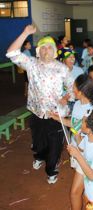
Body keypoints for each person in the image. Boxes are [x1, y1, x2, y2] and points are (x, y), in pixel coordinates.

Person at [6, 25, 74, 184]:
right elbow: (11, 53)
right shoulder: (31, 64)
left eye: (50, 47)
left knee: (55, 144)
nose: (46, 50)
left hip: (56, 114)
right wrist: (25, 33)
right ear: (38, 51)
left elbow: (72, 88)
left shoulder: (62, 68)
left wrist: (66, 97)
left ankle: (51, 170)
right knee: (38, 142)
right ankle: (39, 156)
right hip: (36, 112)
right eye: (43, 47)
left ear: (55, 52)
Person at [49, 75, 93, 210]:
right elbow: (74, 124)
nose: (71, 90)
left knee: (78, 192)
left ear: (80, 92)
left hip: (88, 156)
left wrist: (83, 145)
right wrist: (56, 117)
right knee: (78, 192)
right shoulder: (76, 104)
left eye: (73, 87)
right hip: (78, 151)